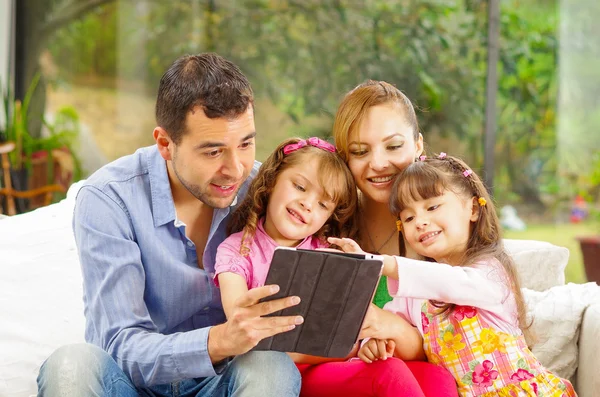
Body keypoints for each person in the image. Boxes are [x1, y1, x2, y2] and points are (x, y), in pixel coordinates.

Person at [37, 53, 304, 397]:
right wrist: (218, 340)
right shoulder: (108, 198)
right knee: (71, 364)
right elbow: (119, 343)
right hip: (131, 386)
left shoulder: (263, 189)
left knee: (272, 366)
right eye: (213, 152)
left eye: (246, 144)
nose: (236, 168)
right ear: (165, 143)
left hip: (224, 383)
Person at [331, 153, 577, 397]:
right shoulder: (415, 294)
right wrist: (374, 344)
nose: (420, 222)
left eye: (432, 206)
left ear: (472, 208)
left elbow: (451, 282)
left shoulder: (490, 272)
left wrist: (383, 263)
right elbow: (390, 322)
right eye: (408, 217)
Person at [299, 81, 459, 397]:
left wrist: (394, 330)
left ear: (418, 145)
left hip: (401, 375)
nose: (378, 163)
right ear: (344, 158)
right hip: (331, 373)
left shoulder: (438, 234)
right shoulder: (324, 229)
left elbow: (453, 347)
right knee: (387, 369)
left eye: (394, 146)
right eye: (360, 151)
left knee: (440, 380)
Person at [214, 137, 357, 322]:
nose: (307, 204)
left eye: (322, 204)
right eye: (299, 187)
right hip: (260, 347)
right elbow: (239, 322)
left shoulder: (328, 255)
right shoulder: (236, 251)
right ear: (272, 179)